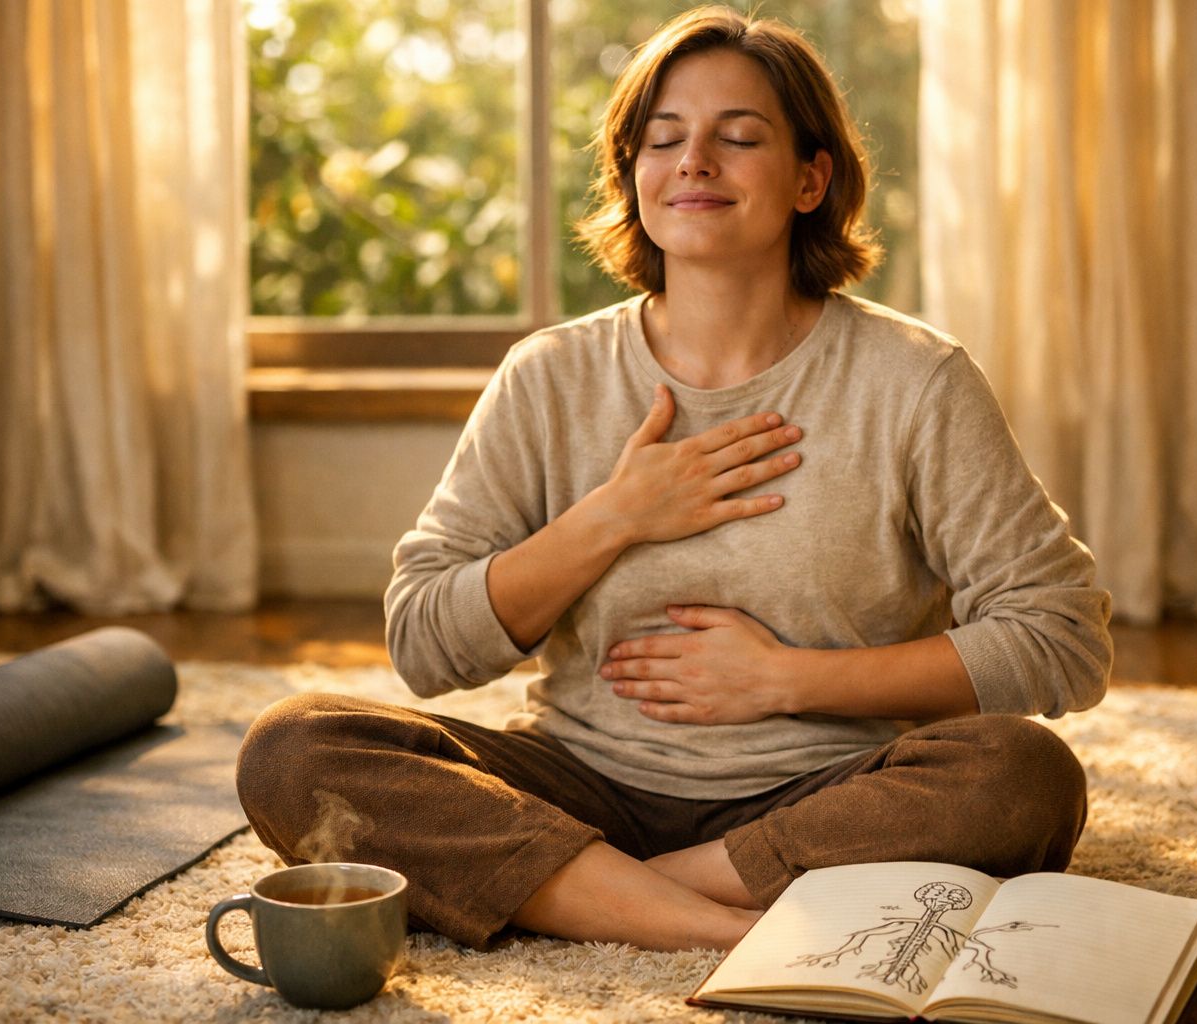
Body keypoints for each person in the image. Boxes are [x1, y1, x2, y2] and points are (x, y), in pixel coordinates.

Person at [236, 4, 1112, 954]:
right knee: (294, 746)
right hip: (580, 782)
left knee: (1022, 776)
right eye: (664, 140)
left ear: (811, 179)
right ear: (636, 176)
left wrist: (786, 681)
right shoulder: (549, 376)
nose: (695, 161)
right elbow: (424, 644)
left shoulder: (915, 380)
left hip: (824, 799)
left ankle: (605, 892)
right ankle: (723, 927)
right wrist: (612, 518)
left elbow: (1058, 638)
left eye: (738, 137)